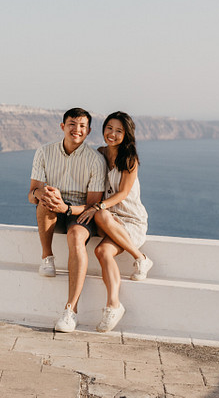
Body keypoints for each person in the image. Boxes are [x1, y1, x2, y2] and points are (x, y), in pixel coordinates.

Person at [28, 107, 106, 333]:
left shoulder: (95, 160)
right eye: (72, 124)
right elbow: (31, 193)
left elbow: (93, 206)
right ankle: (47, 258)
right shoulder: (44, 152)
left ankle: (71, 311)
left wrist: (67, 207)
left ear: (89, 131)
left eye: (82, 126)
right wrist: (41, 194)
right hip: (54, 207)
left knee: (75, 236)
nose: (77, 129)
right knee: (44, 200)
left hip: (81, 213)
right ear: (63, 127)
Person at [77, 111, 153, 333]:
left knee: (100, 216)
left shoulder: (130, 159)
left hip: (131, 220)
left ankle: (140, 258)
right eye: (109, 128)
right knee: (102, 252)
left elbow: (122, 194)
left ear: (126, 134)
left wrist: (98, 206)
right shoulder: (100, 154)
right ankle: (114, 305)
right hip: (111, 220)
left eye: (118, 130)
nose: (112, 134)